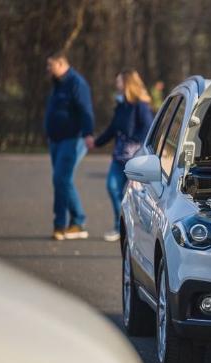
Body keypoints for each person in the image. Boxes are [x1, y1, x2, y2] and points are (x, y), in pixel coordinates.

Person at [94, 69, 154, 242]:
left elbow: (148, 129)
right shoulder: (121, 105)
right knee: (112, 187)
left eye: (119, 81)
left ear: (128, 84)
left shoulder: (141, 106)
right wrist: (97, 143)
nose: (116, 84)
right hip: (118, 157)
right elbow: (113, 128)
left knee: (133, 196)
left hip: (134, 161)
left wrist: (137, 148)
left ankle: (131, 227)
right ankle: (119, 224)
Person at [44, 51, 95, 241]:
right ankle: (78, 220)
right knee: (64, 180)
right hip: (56, 140)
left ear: (61, 63)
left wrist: (88, 133)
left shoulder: (76, 83)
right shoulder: (58, 84)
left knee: (60, 179)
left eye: (50, 65)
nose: (48, 69)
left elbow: (85, 109)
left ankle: (59, 225)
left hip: (72, 140)